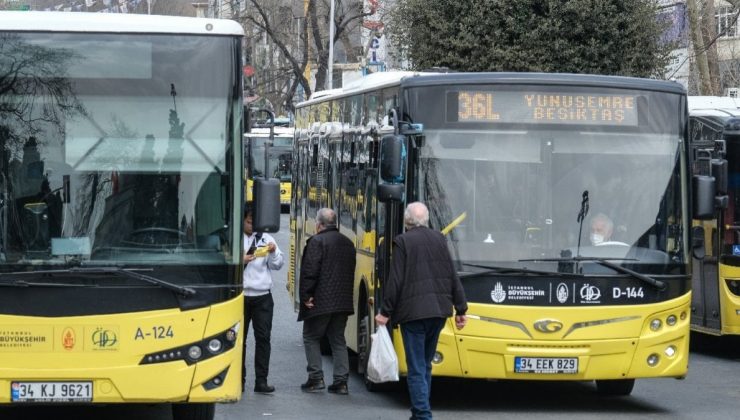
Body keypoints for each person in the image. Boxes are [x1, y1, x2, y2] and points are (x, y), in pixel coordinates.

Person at [375, 201, 467, 420]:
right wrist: (461, 308)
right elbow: (452, 275)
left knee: (416, 367)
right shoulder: (439, 239)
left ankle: (423, 414)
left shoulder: (402, 242)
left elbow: (395, 280)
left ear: (407, 221)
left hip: (414, 314)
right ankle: (419, 412)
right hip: (439, 312)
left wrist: (385, 312)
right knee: (425, 365)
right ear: (426, 220)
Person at [298, 208, 356, 395]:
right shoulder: (348, 242)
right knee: (338, 339)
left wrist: (306, 296)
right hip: (342, 302)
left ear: (319, 224)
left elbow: (310, 271)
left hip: (321, 302)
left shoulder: (317, 241)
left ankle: (315, 378)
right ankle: (341, 382)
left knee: (311, 336)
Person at [241, 207, 284, 394]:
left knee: (263, 338)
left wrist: (273, 252)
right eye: (249, 222)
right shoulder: (234, 238)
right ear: (242, 220)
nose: (252, 226)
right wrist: (240, 260)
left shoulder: (266, 239)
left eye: (254, 222)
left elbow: (278, 264)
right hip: (240, 296)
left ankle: (261, 380)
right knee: (238, 340)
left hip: (262, 296)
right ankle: (238, 379)